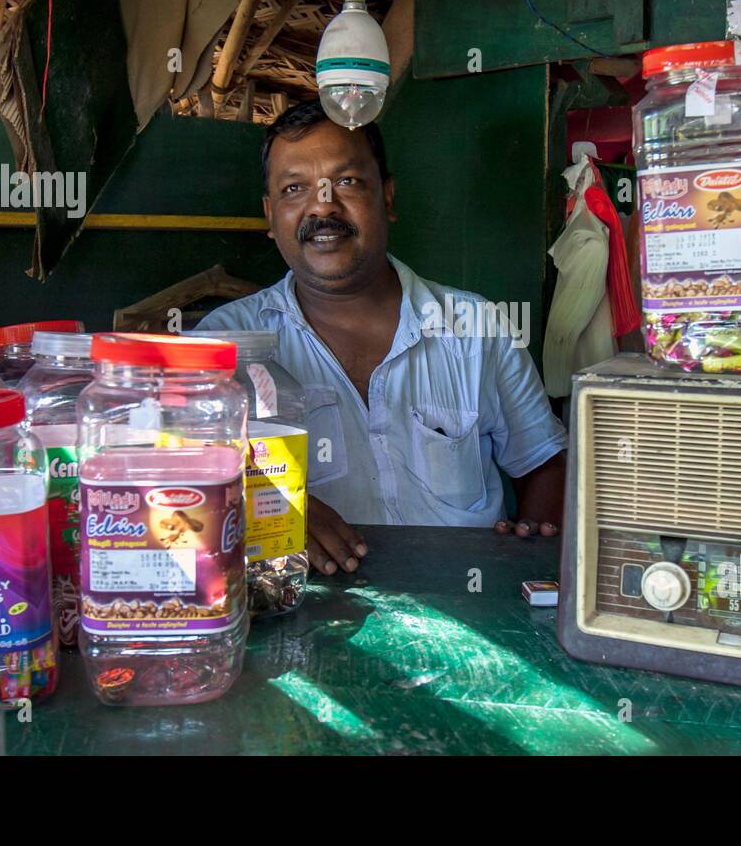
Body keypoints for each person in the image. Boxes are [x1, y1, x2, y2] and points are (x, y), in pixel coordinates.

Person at [197, 100, 567, 575]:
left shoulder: (477, 325)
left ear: (387, 198)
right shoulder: (223, 346)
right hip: (309, 608)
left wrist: (531, 557)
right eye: (295, 188)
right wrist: (270, 503)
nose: (323, 204)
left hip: (467, 598)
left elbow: (543, 463)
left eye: (347, 182)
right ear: (271, 216)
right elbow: (184, 483)